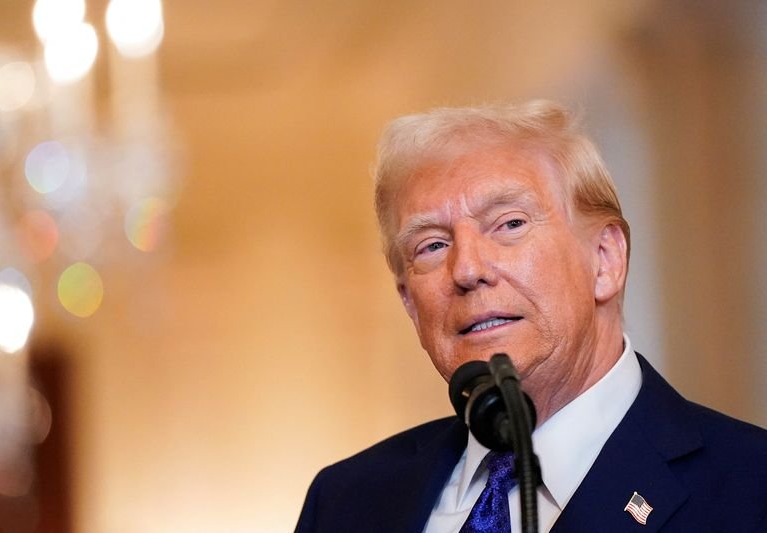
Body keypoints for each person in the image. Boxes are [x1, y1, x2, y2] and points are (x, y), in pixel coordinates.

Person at [295, 101, 767, 532]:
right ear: (409, 302)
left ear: (605, 260)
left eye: (510, 224)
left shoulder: (752, 487)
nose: (467, 269)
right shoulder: (344, 503)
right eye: (433, 245)